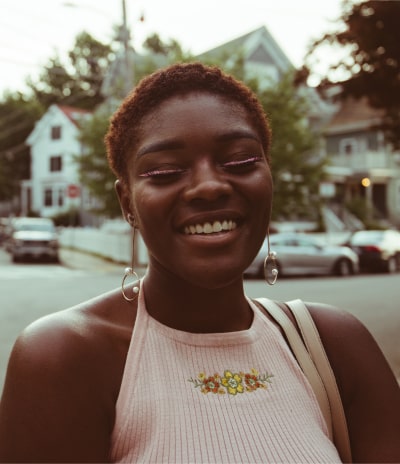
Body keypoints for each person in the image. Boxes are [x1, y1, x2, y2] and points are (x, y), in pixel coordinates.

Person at [0, 62, 399, 463]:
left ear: (269, 180)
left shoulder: (334, 345)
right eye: (165, 171)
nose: (209, 186)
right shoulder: (66, 358)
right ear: (127, 203)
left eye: (240, 161)